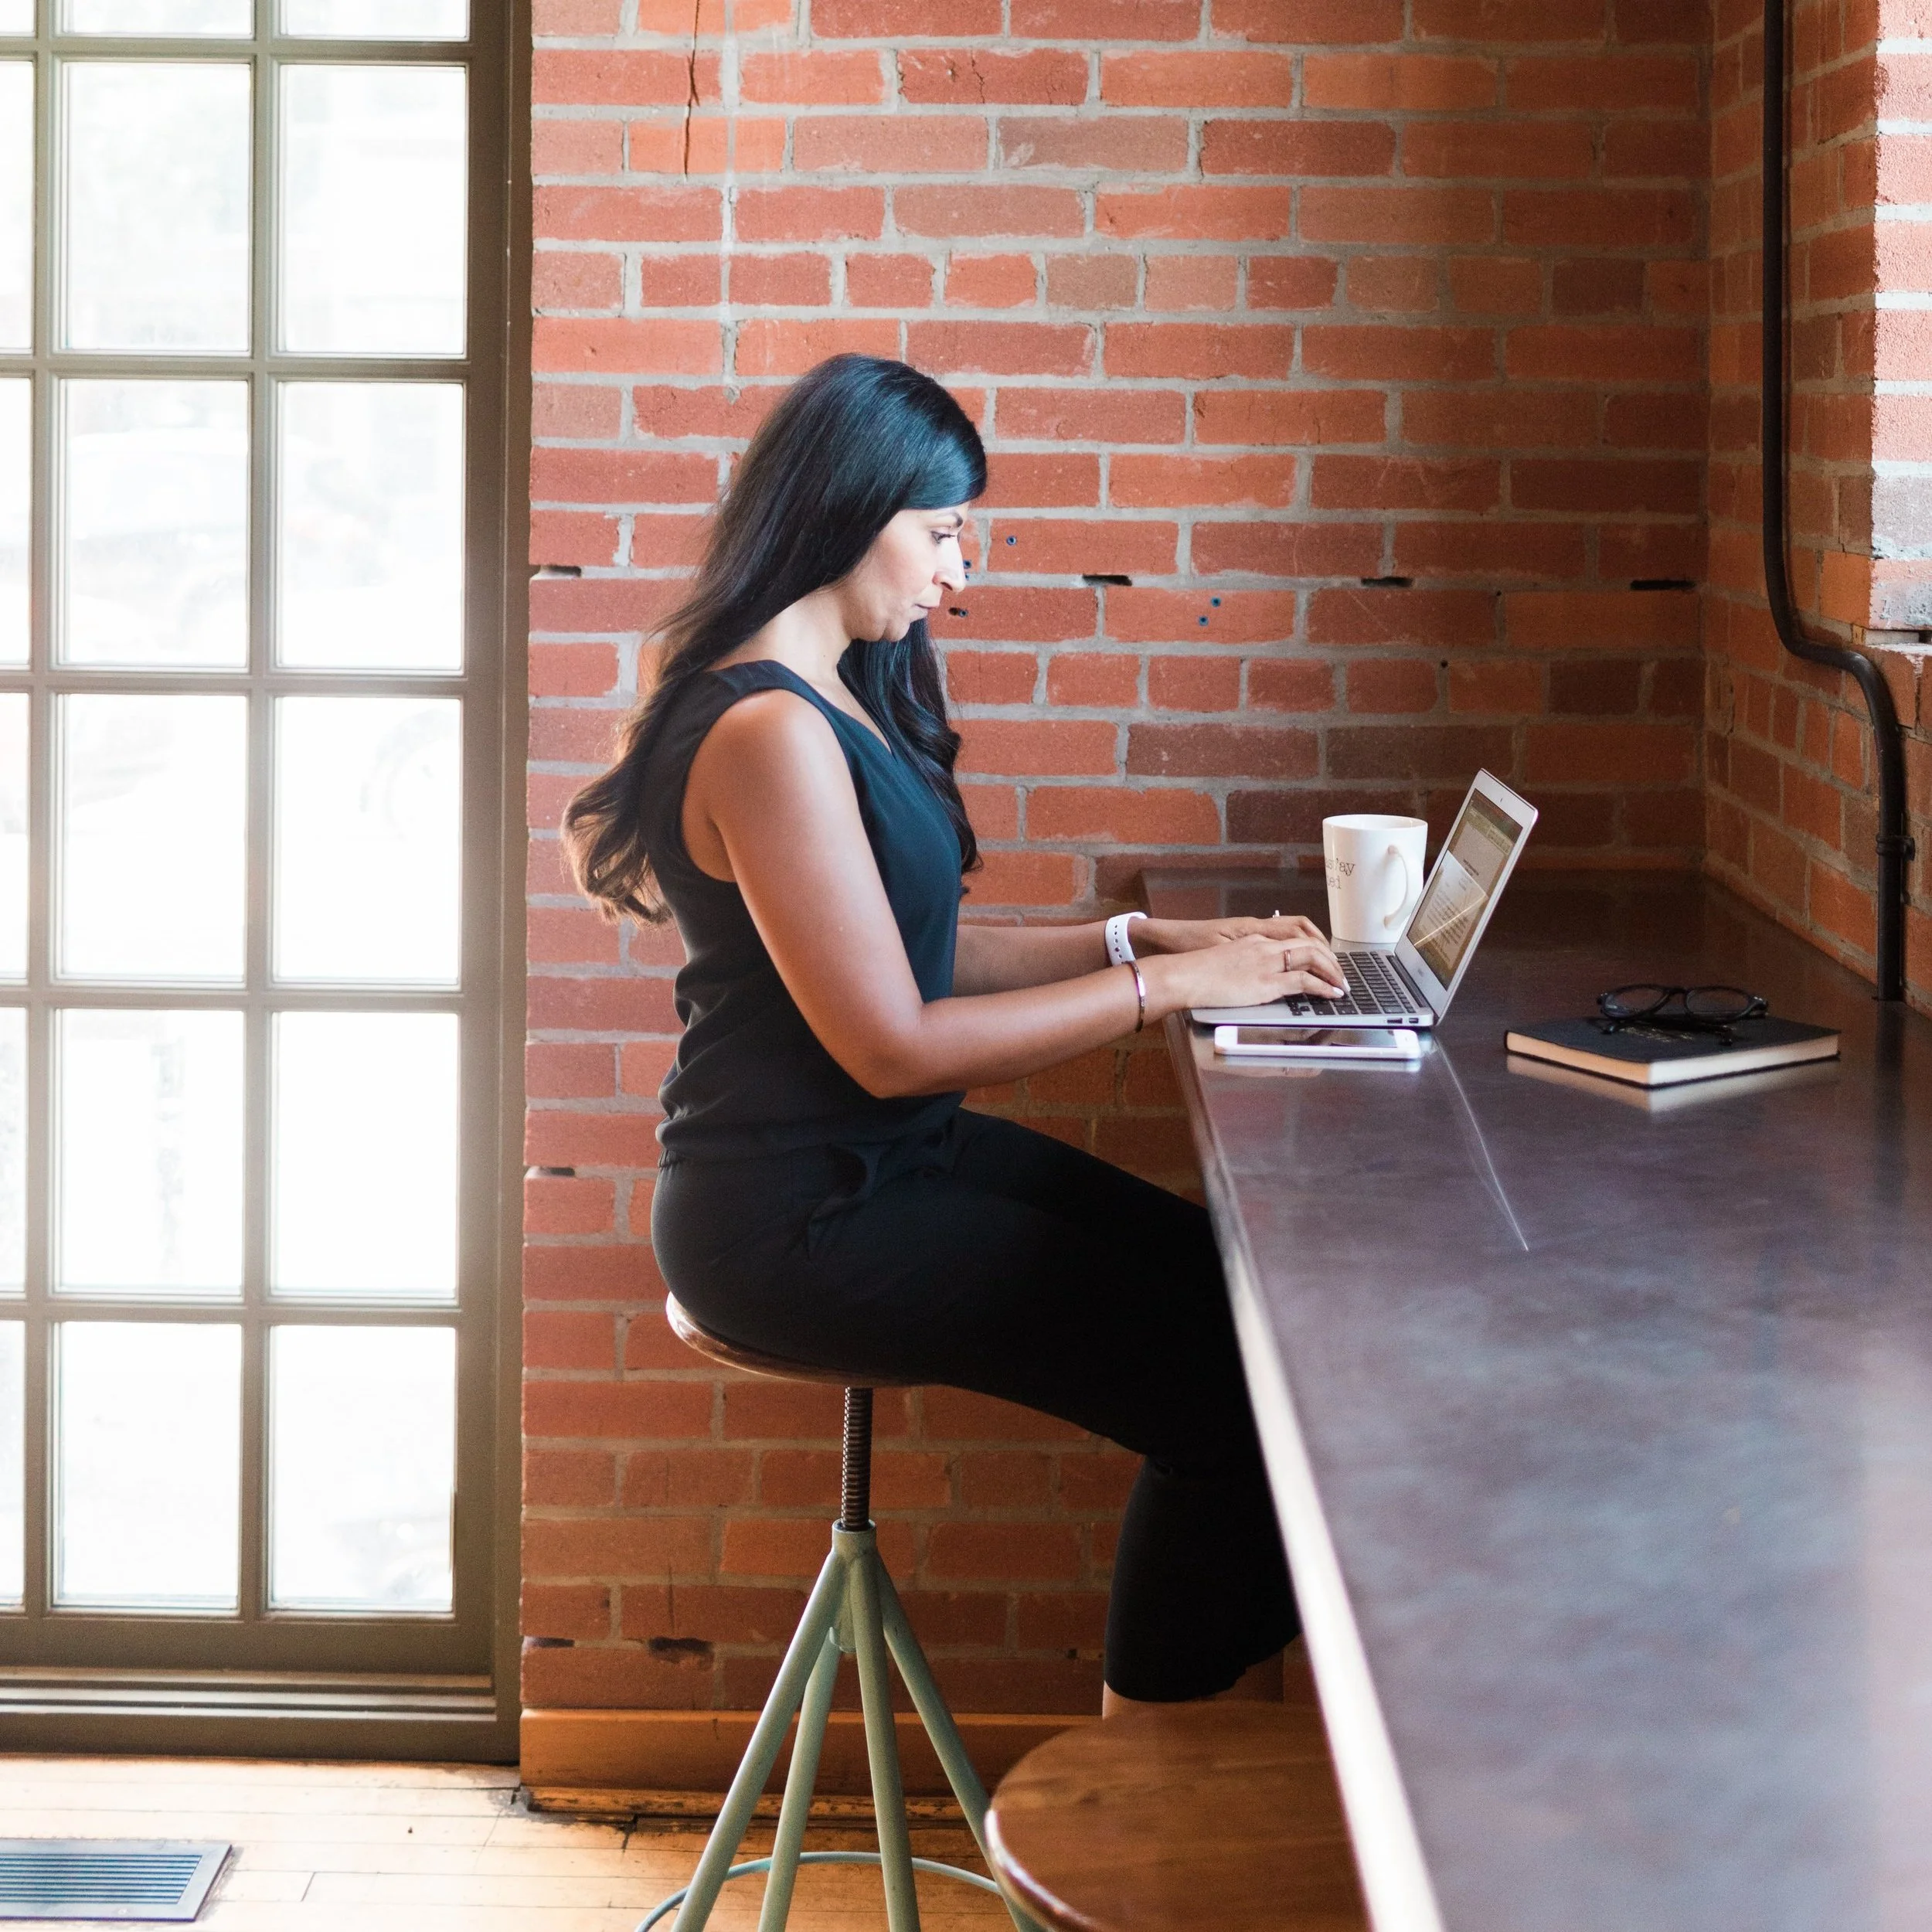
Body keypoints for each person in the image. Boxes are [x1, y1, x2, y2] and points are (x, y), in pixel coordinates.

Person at [563, 355, 1346, 1714]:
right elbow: (892, 1042)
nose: (956, 572)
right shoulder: (765, 729)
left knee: (1261, 1310)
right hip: (793, 1219)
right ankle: (1143, 1804)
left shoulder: (834, 690)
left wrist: (1136, 944)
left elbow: (911, 954)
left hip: (885, 1166)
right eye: (940, 531)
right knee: (1233, 1402)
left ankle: (1213, 1771)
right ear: (848, 507)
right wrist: (1173, 995)